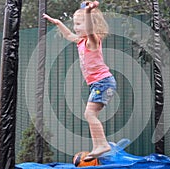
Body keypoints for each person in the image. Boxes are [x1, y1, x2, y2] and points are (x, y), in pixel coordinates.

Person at [43, 1, 116, 161]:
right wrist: (58, 23)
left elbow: (89, 30)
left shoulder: (92, 40)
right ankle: (98, 146)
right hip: (98, 84)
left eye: (78, 24)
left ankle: (102, 144)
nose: (75, 27)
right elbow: (69, 35)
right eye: (74, 24)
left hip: (103, 82)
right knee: (91, 114)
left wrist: (88, 13)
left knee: (89, 114)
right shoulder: (81, 41)